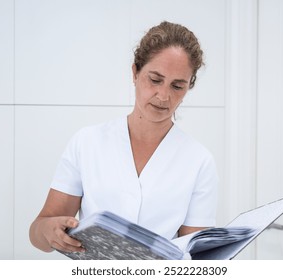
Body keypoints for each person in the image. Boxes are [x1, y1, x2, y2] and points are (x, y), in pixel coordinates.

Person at [29, 21, 218, 254]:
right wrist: (49, 230)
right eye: (155, 79)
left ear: (189, 86)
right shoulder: (87, 142)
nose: (163, 95)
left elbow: (197, 254)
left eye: (177, 86)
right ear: (135, 72)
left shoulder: (199, 161)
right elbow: (38, 231)